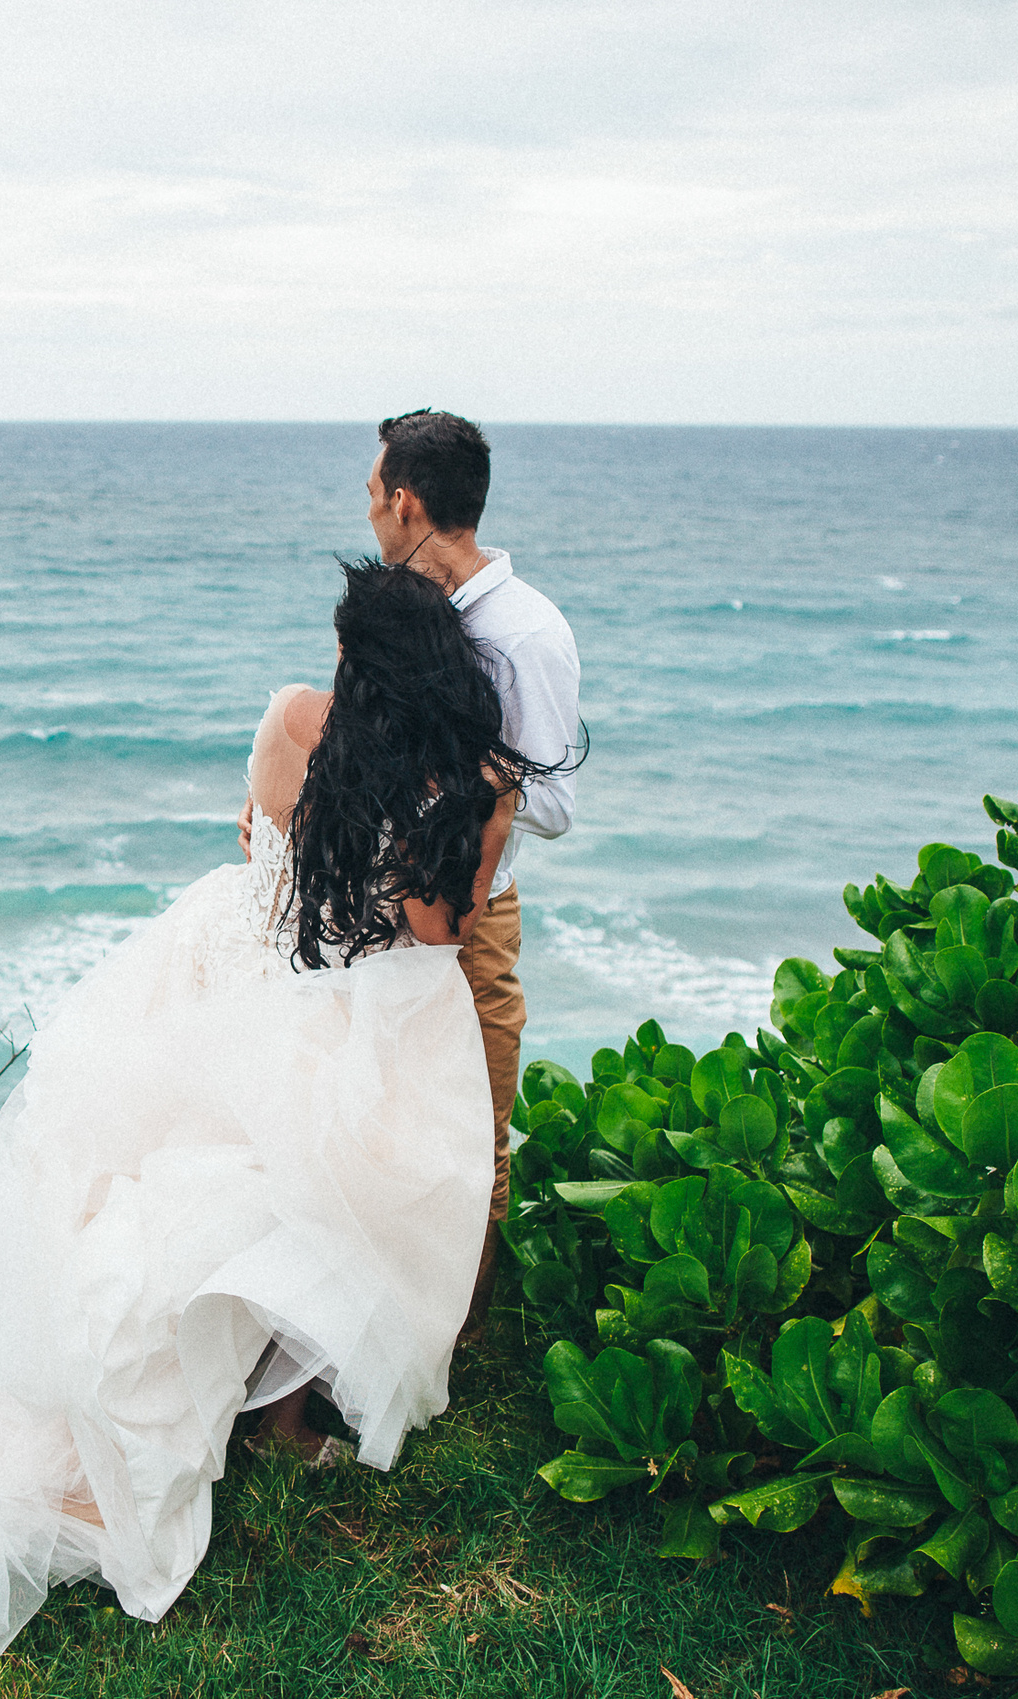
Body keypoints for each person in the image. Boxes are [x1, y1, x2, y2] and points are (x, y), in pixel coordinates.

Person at [0, 560, 558, 1660]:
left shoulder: (294, 719)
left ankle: (256, 1407)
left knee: (189, 1180)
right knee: (313, 1198)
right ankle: (278, 1414)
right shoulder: (457, 780)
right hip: (331, 1005)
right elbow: (434, 932)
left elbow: (256, 835)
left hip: (228, 962)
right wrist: (479, 815)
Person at [245, 410, 583, 1339]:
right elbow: (353, 725)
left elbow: (554, 802)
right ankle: (356, 1331)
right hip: (368, 921)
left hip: (465, 916)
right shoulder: (395, 603)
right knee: (355, 1135)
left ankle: (454, 1341)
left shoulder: (526, 633)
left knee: (471, 1133)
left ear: (405, 501)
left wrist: (461, 796)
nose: (365, 511)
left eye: (370, 493)